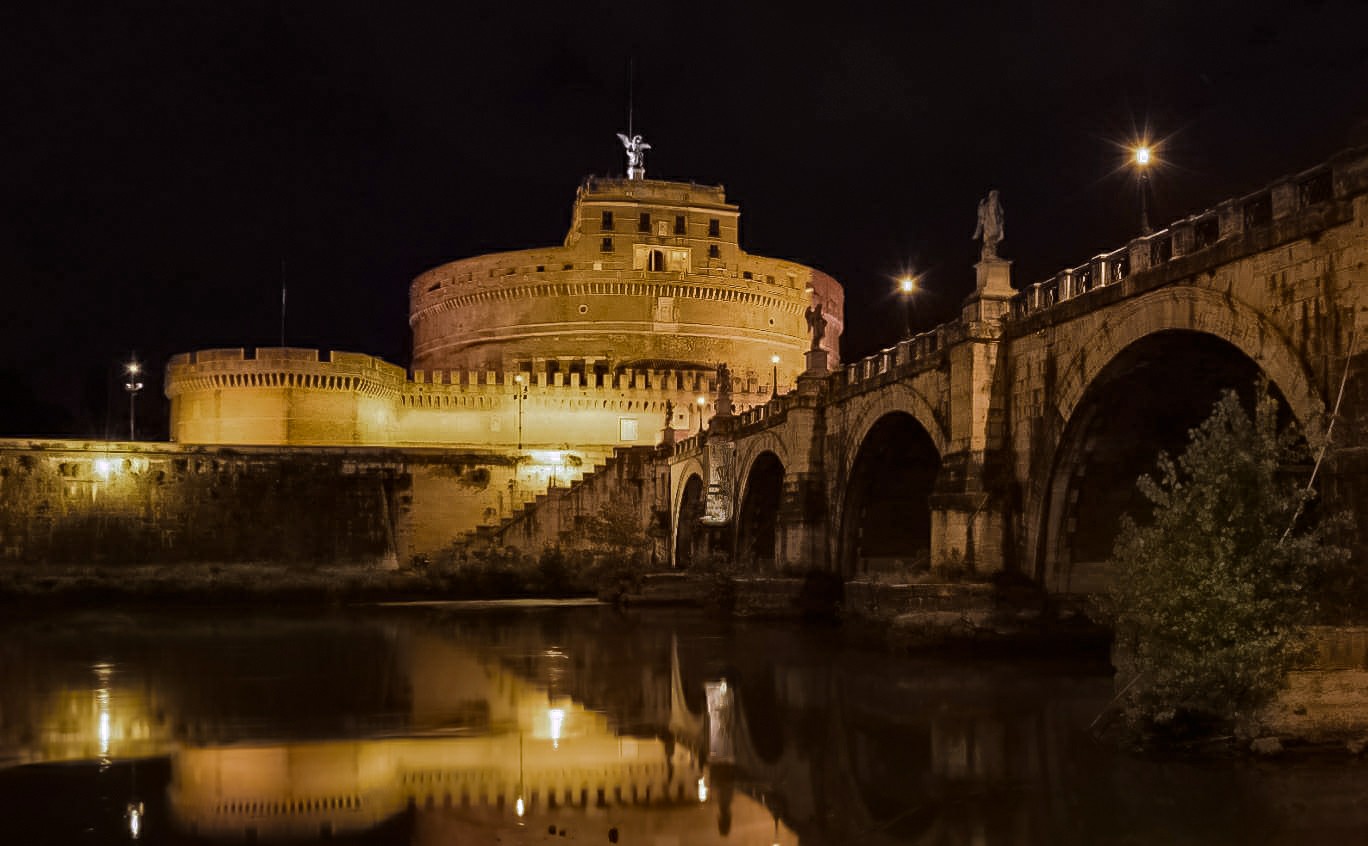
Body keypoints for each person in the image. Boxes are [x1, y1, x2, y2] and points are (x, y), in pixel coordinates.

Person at [973, 189, 1004, 260]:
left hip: (996, 225)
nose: (995, 197)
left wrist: (1001, 225)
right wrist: (980, 205)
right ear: (990, 197)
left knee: (994, 239)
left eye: (996, 196)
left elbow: (1001, 215)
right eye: (994, 196)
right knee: (990, 239)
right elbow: (981, 215)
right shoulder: (986, 206)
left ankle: (991, 253)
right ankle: (989, 254)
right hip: (989, 226)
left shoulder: (998, 205)